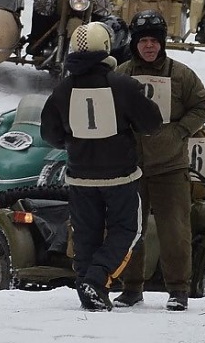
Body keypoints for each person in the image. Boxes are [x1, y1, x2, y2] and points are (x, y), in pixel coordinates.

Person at [40, 22, 163, 311]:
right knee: (128, 231)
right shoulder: (122, 85)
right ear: (107, 48)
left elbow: (50, 134)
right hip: (120, 177)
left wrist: (76, 143)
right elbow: (152, 123)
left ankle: (88, 289)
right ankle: (96, 281)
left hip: (80, 177)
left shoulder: (62, 90)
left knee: (86, 236)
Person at [113, 9, 205, 311]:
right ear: (135, 43)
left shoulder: (182, 74)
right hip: (130, 167)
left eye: (154, 41)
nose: (149, 46)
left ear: (162, 43)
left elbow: (203, 106)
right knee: (131, 230)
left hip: (171, 166)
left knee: (175, 231)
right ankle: (131, 288)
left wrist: (181, 131)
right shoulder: (121, 74)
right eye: (143, 41)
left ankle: (178, 290)